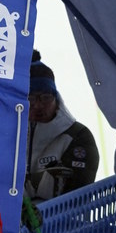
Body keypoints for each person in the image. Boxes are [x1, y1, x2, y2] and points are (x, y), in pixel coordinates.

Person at [25, 51, 100, 203]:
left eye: (46, 97)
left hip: (63, 224)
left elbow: (78, 197)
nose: (38, 105)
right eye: (31, 98)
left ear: (56, 98)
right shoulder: (5, 134)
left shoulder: (77, 136)